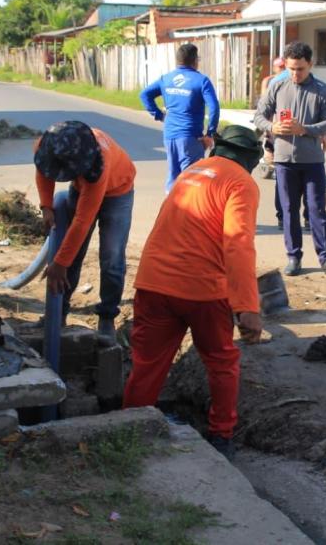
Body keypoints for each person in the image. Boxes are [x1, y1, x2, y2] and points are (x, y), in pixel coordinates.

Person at [122, 125, 264, 459]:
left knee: (148, 363)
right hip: (201, 290)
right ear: (251, 158)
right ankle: (221, 436)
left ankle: (129, 430)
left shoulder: (191, 171)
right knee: (221, 362)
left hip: (153, 282)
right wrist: (247, 307)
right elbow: (238, 244)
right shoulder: (241, 182)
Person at [34, 120, 136, 339]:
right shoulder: (48, 144)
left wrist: (59, 264)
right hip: (81, 187)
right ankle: (58, 312)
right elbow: (43, 172)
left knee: (111, 257)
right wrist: (46, 206)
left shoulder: (98, 164)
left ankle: (107, 317)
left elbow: (82, 221)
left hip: (118, 191)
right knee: (73, 253)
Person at [253, 41, 326, 276]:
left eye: (300, 69)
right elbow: (259, 115)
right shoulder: (278, 86)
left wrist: (306, 129)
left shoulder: (322, 91)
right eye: (291, 68)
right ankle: (294, 257)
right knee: (289, 210)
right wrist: (272, 127)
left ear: (310, 65)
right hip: (284, 161)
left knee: (316, 209)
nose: (295, 74)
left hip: (312, 160)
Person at [140, 43, 220, 192]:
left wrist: (158, 115)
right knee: (191, 181)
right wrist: (210, 134)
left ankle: (170, 211)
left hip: (169, 136)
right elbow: (214, 107)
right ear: (195, 60)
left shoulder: (166, 79)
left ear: (178, 60)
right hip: (190, 138)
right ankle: (187, 214)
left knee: (173, 177)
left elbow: (144, 94)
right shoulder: (201, 80)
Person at [260, 56, 310, 232]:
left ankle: (300, 218)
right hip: (280, 137)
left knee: (296, 182)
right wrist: (270, 129)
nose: (294, 72)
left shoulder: (312, 84)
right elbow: (262, 112)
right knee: (283, 181)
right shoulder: (274, 83)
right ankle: (285, 217)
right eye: (283, 66)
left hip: (304, 141)